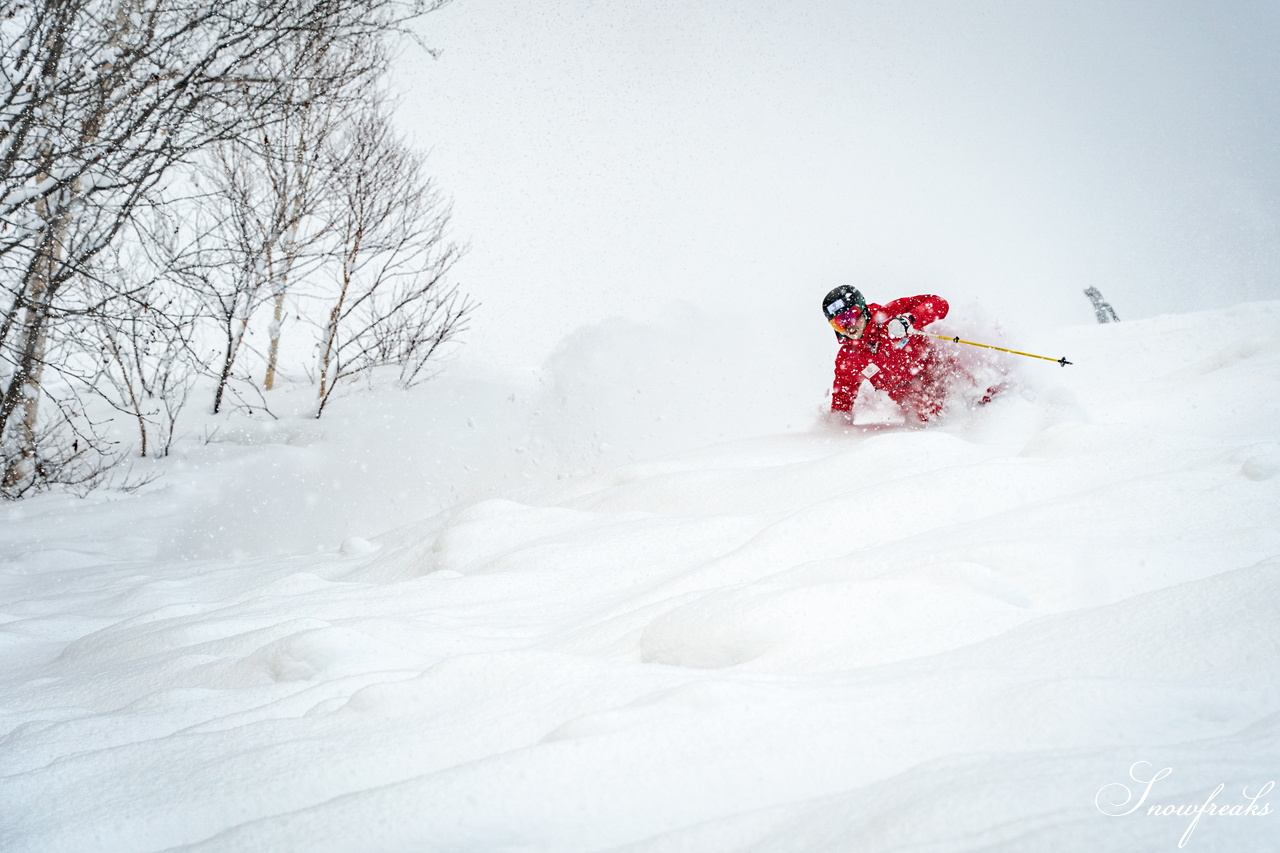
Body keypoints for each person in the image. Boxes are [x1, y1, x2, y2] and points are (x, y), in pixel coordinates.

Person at [821, 285, 957, 423]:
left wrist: (909, 320)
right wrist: (836, 425)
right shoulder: (849, 357)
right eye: (839, 323)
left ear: (862, 308)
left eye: (851, 316)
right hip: (915, 401)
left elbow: (939, 304)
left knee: (973, 400)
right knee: (931, 423)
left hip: (946, 375)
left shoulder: (890, 315)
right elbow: (843, 395)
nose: (848, 327)